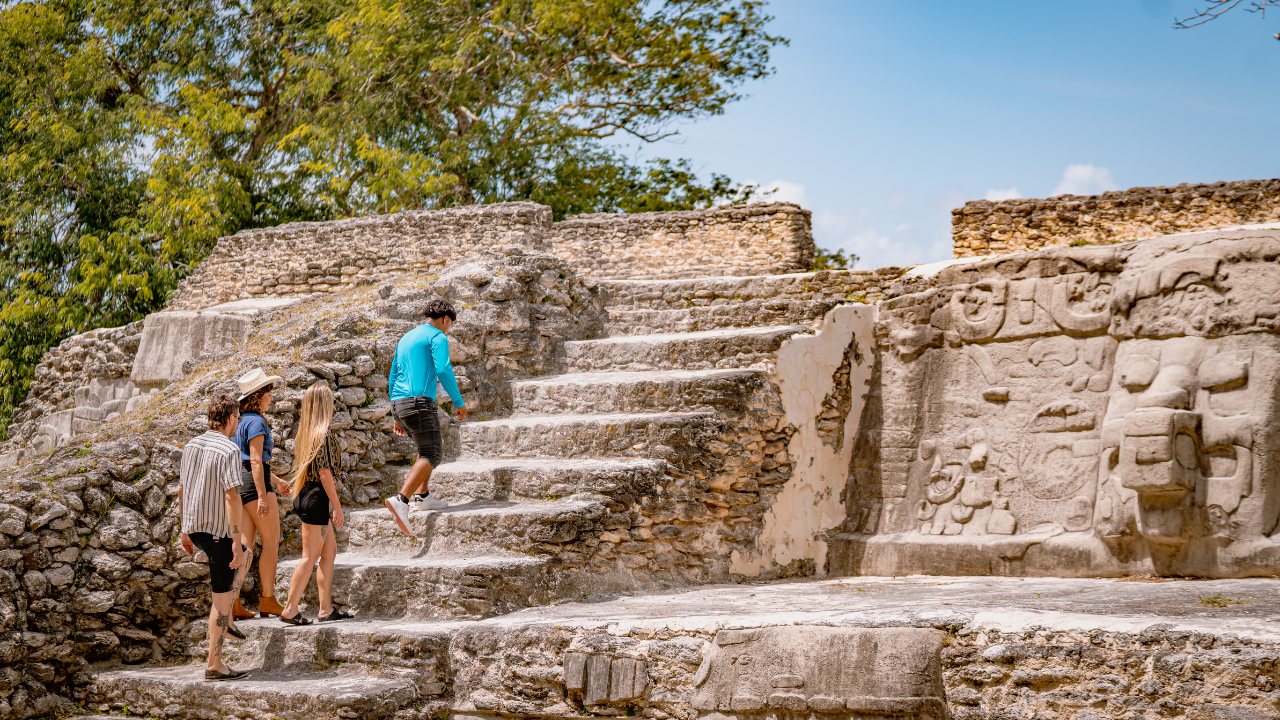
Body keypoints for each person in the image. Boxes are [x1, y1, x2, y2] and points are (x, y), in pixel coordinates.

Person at [178, 393, 254, 682]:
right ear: (232, 418)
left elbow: (182, 489)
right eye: (238, 418)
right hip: (219, 534)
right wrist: (235, 541)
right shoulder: (229, 450)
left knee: (245, 555)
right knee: (221, 600)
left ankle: (229, 619)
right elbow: (232, 497)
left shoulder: (191, 445)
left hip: (196, 529)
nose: (238, 424)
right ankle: (215, 664)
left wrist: (184, 530)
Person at [384, 297, 467, 536]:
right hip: (419, 402)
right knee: (433, 453)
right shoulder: (438, 336)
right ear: (445, 319)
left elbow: (393, 376)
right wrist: (459, 403)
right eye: (449, 324)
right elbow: (443, 369)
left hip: (399, 402)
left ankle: (423, 496)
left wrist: (396, 415)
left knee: (424, 446)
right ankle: (402, 499)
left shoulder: (406, 337)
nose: (448, 329)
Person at [278, 382, 350, 625]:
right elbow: (325, 474)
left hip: (305, 495)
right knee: (309, 557)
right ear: (323, 405)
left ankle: (325, 608)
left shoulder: (304, 433)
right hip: (316, 498)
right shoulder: (324, 434)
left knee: (329, 551)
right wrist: (337, 507)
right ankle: (290, 609)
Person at [232, 368, 291, 620]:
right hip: (255, 486)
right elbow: (256, 460)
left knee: (245, 546)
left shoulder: (239, 422)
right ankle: (267, 600)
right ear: (257, 395)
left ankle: (232, 601)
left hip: (240, 484)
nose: (272, 397)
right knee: (271, 542)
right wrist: (264, 494)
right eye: (269, 392)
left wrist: (275, 481)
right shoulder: (257, 421)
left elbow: (248, 461)